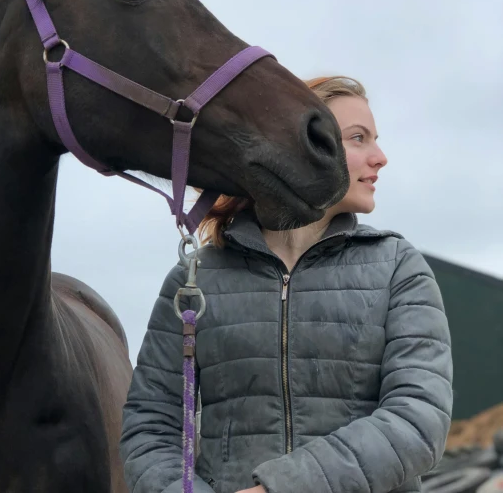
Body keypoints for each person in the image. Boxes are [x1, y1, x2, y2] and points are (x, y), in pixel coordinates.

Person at [120, 76, 453, 493]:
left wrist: (280, 488)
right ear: (301, 146)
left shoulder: (397, 268)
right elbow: (150, 428)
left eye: (374, 139)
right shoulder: (193, 283)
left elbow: (419, 419)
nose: (380, 157)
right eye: (358, 138)